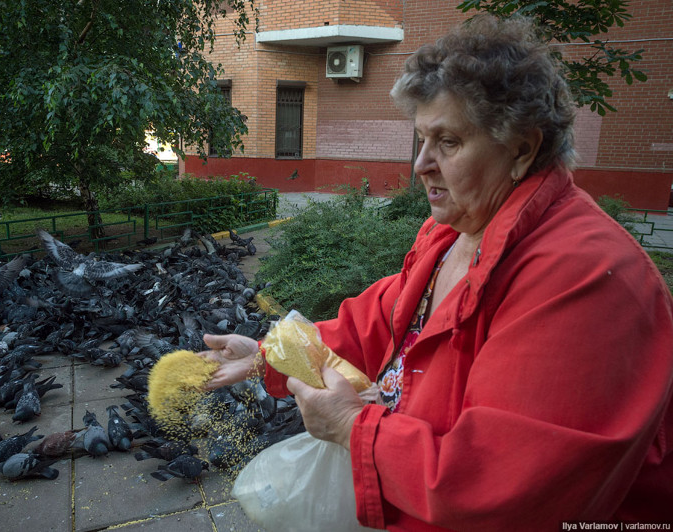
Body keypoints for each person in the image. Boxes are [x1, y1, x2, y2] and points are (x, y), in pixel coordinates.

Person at [199, 14, 673, 531]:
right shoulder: (453, 232)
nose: (421, 164)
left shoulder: (585, 278)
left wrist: (355, 428)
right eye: (421, 139)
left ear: (523, 148)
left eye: (447, 142)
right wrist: (269, 355)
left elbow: (504, 488)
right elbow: (373, 325)